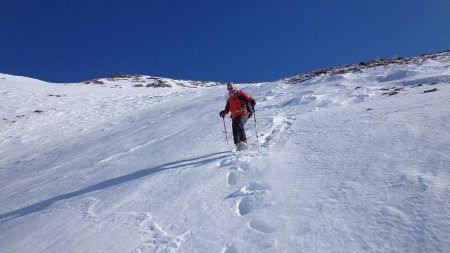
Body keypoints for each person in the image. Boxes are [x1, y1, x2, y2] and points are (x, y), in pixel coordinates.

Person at [219, 83, 256, 151]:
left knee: (239, 124)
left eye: (231, 88)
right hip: (234, 116)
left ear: (234, 88)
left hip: (243, 113)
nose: (230, 90)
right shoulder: (229, 99)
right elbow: (227, 109)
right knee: (234, 130)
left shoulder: (240, 94)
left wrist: (252, 101)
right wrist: (223, 112)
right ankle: (238, 145)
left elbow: (248, 98)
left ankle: (243, 142)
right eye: (228, 88)